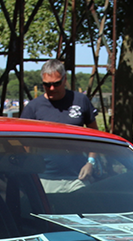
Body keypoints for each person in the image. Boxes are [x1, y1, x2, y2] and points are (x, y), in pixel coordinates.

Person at [20, 60, 99, 190]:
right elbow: (23, 144)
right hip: (45, 178)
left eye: (56, 84)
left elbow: (95, 135)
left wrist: (91, 162)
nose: (52, 88)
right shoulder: (33, 107)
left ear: (64, 79)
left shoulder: (80, 100)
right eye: (47, 84)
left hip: (78, 177)